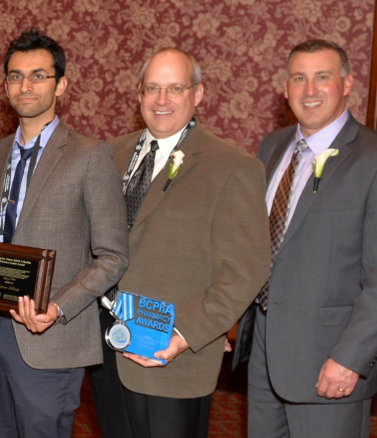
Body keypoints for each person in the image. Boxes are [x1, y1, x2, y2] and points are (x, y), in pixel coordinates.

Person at [233, 39, 377, 438]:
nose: (310, 90)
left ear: (347, 83)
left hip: (329, 360)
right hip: (264, 351)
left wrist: (350, 359)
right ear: (285, 88)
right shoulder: (272, 147)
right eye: (299, 79)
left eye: (323, 77)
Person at [87, 48, 269, 438]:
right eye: (152, 88)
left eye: (174, 88)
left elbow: (245, 271)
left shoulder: (232, 168)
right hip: (103, 343)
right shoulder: (108, 155)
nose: (162, 99)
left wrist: (186, 333)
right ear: (139, 95)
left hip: (170, 354)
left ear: (198, 94)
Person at [0, 28, 128, 438]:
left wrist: (56, 308)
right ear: (4, 87)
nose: (26, 85)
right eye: (16, 76)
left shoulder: (91, 155)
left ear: (62, 84)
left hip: (51, 338)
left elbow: (113, 256)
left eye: (38, 75)